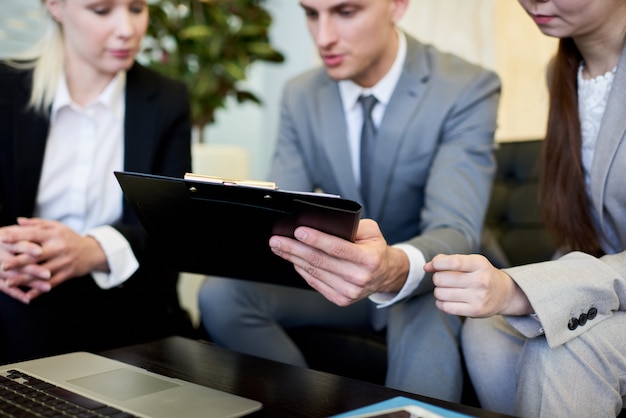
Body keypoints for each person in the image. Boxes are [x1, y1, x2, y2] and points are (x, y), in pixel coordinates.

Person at [198, 0, 500, 402]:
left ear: (397, 6)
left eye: (345, 12)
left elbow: (456, 229)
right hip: (345, 278)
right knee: (220, 294)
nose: (323, 38)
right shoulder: (300, 95)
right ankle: (304, 408)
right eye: (311, 13)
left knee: (434, 304)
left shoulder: (466, 87)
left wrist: (394, 270)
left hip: (424, 273)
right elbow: (282, 215)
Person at [424, 0, 626, 416]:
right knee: (486, 332)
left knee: (567, 346)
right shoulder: (563, 74)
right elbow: (588, 236)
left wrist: (526, 291)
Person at [0, 0, 192, 364]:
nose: (127, 29)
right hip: (20, 295)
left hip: (123, 298)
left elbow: (172, 229)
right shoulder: (5, 89)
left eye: (137, 8)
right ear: (55, 6)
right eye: (102, 10)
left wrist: (93, 250)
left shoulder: (166, 100)